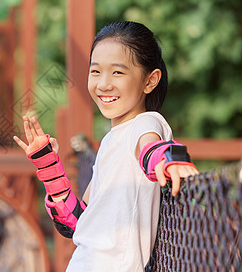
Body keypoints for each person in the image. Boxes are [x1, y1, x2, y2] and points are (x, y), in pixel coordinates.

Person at [13, 21, 199, 271]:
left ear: (150, 80)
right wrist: (49, 167)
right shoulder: (112, 140)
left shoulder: (146, 122)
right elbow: (77, 221)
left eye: (118, 72)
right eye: (96, 71)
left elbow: (150, 149)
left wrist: (171, 161)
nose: (103, 84)